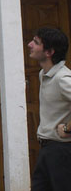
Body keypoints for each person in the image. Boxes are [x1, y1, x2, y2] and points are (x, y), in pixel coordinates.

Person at [27, 27, 71, 191]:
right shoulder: (43, 74)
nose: (30, 44)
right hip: (47, 150)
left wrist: (67, 128)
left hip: (61, 152)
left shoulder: (62, 78)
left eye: (36, 42)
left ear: (49, 52)